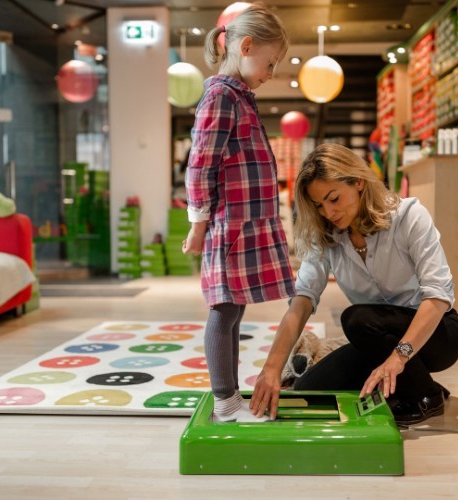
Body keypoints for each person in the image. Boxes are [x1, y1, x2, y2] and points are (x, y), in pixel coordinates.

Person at [250, 143, 458, 426]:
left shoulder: (408, 216)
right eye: (319, 205)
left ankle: (426, 396)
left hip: (438, 334)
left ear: (358, 182)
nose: (328, 212)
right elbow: (302, 300)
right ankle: (416, 381)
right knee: (309, 389)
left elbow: (438, 298)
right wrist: (272, 368)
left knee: (356, 319)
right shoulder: (325, 235)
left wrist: (398, 358)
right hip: (376, 337)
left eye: (334, 198)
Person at [182, 3, 294, 422]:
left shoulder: (240, 96)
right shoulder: (221, 96)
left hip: (245, 224)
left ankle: (229, 396)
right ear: (246, 47)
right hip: (230, 227)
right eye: (270, 62)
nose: (271, 73)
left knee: (235, 309)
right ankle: (225, 401)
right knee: (224, 309)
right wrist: (198, 224)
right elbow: (201, 164)